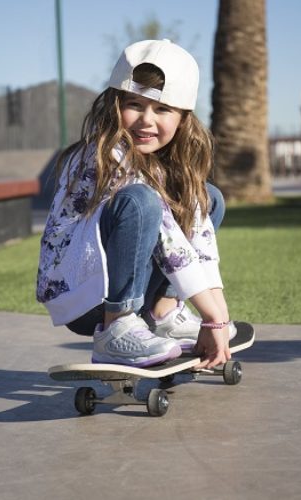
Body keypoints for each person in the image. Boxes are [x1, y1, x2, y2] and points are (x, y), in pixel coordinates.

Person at [36, 39, 234, 369]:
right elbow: (169, 240)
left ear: (183, 118)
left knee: (207, 197)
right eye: (134, 104)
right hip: (84, 298)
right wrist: (213, 318)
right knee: (140, 203)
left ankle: (162, 313)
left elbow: (199, 239)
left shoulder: (164, 162)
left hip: (127, 286)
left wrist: (219, 316)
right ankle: (117, 329)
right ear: (115, 104)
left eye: (162, 109)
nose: (146, 120)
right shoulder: (105, 155)